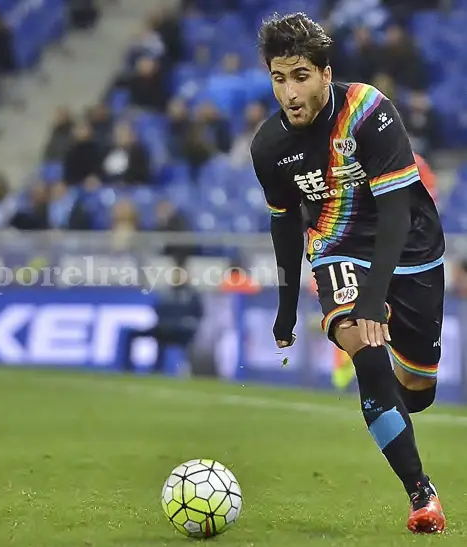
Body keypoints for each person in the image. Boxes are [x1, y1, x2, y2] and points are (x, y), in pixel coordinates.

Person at [250, 13, 446, 534]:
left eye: (300, 76)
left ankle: (386, 398)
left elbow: (397, 212)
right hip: (337, 246)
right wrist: (287, 308)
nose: (289, 93)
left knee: (418, 388)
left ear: (325, 74)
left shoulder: (368, 112)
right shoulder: (268, 148)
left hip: (410, 246)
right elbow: (285, 226)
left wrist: (374, 295)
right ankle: (421, 494)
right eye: (278, 78)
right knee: (364, 346)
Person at [122, 268, 202, 373]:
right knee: (132, 334)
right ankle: (128, 368)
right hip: (163, 328)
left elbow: (198, 314)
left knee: (170, 337)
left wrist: (183, 323)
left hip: (182, 330)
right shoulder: (166, 293)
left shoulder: (192, 295)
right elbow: (158, 310)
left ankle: (183, 368)